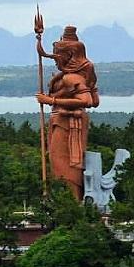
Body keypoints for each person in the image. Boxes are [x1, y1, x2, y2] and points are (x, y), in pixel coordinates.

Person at [35, 26, 99, 201]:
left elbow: (88, 101)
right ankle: (64, 201)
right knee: (56, 162)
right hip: (61, 121)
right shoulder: (67, 76)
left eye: (58, 56)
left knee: (65, 165)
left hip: (69, 124)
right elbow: (94, 100)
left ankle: (71, 201)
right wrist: (38, 40)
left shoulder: (72, 78)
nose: (56, 60)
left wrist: (52, 101)